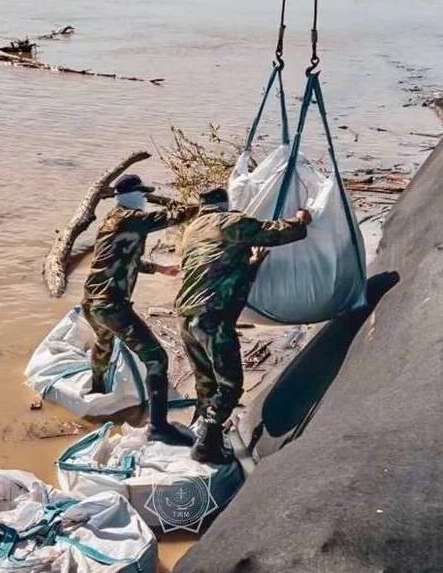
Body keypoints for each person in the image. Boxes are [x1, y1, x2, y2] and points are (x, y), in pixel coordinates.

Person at [174, 187, 312, 464]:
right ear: (224, 204)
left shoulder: (190, 231)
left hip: (185, 318)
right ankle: (206, 445)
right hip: (211, 317)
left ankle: (204, 429)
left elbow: (215, 268)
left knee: (206, 380)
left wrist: (252, 265)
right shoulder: (230, 222)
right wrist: (301, 221)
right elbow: (280, 233)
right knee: (230, 386)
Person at [81, 174, 198, 446]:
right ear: (130, 195)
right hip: (112, 305)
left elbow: (124, 256)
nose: (144, 199)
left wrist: (158, 269)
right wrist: (202, 207)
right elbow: (174, 217)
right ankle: (158, 427)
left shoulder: (112, 220)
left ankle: (98, 390)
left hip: (91, 302)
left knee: (104, 342)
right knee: (157, 359)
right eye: (142, 194)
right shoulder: (130, 218)